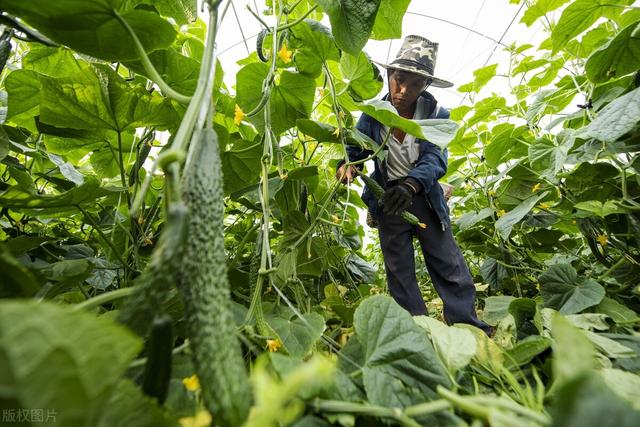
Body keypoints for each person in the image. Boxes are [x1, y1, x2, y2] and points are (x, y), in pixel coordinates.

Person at [336, 35, 492, 336]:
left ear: (425, 86)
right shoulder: (371, 114)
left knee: (447, 262)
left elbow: (436, 158)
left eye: (415, 84)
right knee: (399, 270)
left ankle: (468, 328)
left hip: (424, 197)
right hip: (388, 199)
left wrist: (411, 185)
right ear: (390, 76)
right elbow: (354, 152)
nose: (403, 90)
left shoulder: (436, 116)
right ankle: (417, 332)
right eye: (398, 79)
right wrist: (347, 166)